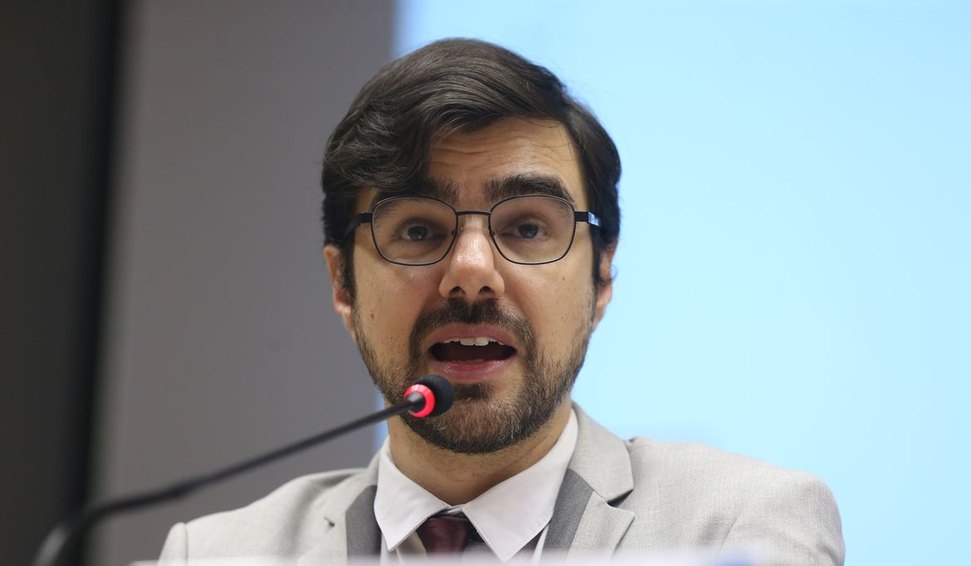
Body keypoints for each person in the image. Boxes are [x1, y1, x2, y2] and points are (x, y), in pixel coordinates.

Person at [159, 38, 844, 565]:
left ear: (601, 277)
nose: (471, 273)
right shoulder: (214, 554)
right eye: (418, 230)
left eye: (526, 228)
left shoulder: (740, 529)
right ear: (343, 284)